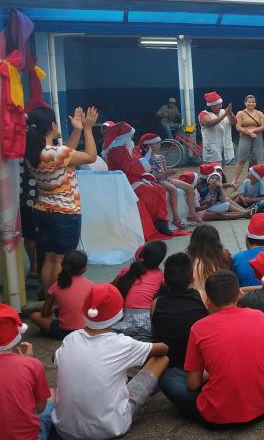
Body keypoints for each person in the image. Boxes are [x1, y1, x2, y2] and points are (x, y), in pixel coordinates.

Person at [166, 271, 264, 425]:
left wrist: (209, 374)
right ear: (238, 295)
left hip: (216, 417)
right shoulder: (259, 316)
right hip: (261, 407)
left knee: (168, 376)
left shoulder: (198, 328)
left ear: (208, 300)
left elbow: (193, 384)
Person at [52, 283, 169, 440]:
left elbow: (56, 358)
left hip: (64, 428)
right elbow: (163, 349)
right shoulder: (123, 344)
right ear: (118, 314)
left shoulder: (70, 339)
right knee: (161, 359)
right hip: (110, 427)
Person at [25, 105, 98, 296]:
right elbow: (91, 157)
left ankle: (48, 297)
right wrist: (88, 129)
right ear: (51, 125)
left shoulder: (35, 153)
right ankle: (57, 299)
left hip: (43, 210)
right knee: (60, 259)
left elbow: (66, 154)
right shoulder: (54, 153)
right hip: (64, 213)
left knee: (50, 257)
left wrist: (77, 130)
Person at [150, 253, 209, 415]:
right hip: (204, 368)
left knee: (166, 378)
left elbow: (156, 337)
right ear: (192, 278)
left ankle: (197, 402)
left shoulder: (156, 304)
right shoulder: (203, 296)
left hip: (176, 369)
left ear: (165, 280)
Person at [0, 303, 55, 440]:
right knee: (52, 394)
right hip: (30, 437)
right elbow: (40, 407)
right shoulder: (32, 365)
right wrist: (28, 363)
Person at [29, 250, 92, 340]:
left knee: (34, 316)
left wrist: (54, 308)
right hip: (87, 330)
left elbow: (44, 314)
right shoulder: (91, 285)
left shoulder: (56, 286)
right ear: (83, 269)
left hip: (65, 333)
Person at [111, 241, 167, 341]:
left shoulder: (127, 269)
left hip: (122, 319)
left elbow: (111, 287)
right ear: (160, 260)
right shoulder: (160, 276)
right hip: (146, 323)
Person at [142, 133, 201, 226]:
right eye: (157, 143)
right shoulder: (145, 160)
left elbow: (165, 173)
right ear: (149, 145)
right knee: (173, 190)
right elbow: (150, 175)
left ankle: (192, 214)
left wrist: (170, 173)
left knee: (189, 188)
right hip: (155, 181)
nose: (160, 145)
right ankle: (175, 217)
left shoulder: (161, 157)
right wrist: (166, 174)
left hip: (164, 179)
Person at [186, 225, 233, 297]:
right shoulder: (222, 259)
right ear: (216, 242)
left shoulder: (187, 262)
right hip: (217, 301)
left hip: (193, 300)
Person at [231, 95, 264, 187]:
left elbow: (263, 127)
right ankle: (234, 180)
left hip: (257, 137)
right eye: (249, 102)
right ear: (245, 103)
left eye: (253, 102)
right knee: (241, 159)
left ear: (255, 103)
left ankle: (251, 179)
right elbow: (238, 127)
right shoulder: (240, 113)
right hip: (244, 137)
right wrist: (248, 133)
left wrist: (253, 131)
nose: (251, 103)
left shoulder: (259, 113)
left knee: (254, 159)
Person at [197, 91, 235, 165]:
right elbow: (209, 123)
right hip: (212, 148)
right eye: (217, 105)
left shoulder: (224, 111)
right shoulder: (204, 114)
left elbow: (234, 122)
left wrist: (230, 114)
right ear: (211, 106)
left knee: (221, 170)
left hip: (225, 147)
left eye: (220, 104)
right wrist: (225, 114)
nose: (220, 106)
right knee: (214, 171)